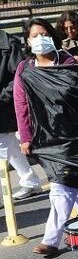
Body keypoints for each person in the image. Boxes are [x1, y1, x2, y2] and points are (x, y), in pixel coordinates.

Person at [14, 18, 78, 256]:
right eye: (34, 35)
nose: (39, 39)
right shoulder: (25, 69)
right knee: (66, 182)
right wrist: (26, 137)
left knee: (61, 184)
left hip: (71, 133)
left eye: (43, 33)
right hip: (44, 136)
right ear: (27, 40)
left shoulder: (67, 62)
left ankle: (52, 239)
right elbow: (21, 104)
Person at [0, 29, 42, 201]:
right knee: (6, 144)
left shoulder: (8, 44)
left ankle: (28, 182)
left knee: (4, 144)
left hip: (4, 104)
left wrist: (3, 96)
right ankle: (30, 181)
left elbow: (19, 75)